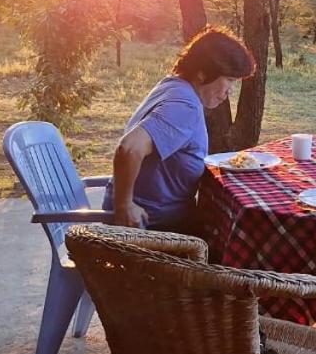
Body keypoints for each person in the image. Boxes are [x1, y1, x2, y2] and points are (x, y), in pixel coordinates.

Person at [106, 26, 255, 231]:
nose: (230, 91)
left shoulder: (173, 86)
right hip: (152, 227)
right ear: (203, 74)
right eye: (229, 80)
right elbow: (129, 147)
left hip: (163, 219)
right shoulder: (184, 106)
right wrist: (124, 206)